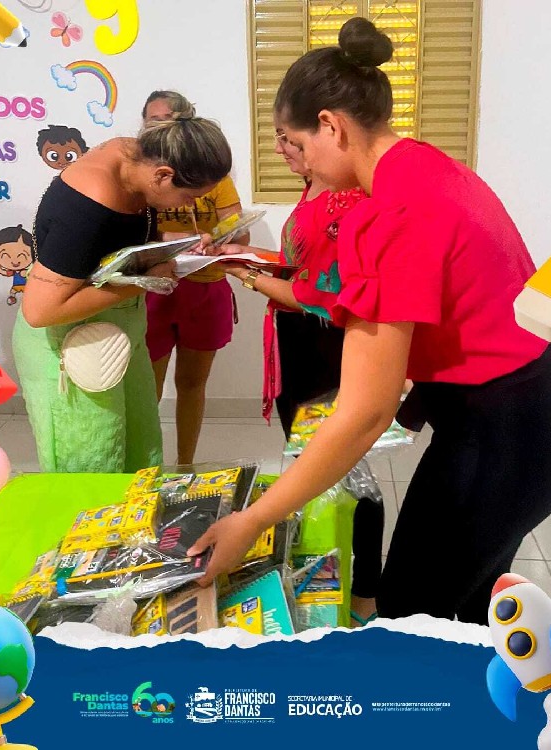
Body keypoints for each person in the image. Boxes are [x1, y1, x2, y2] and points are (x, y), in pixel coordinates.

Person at [189, 17, 551, 626]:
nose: (296, 160)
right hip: (530, 406)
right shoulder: (424, 165)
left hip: (506, 428)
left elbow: (365, 412)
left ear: (330, 125)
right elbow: (357, 295)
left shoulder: (389, 214)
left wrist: (253, 520)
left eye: (295, 141)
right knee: (471, 600)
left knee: (412, 613)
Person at [222, 125, 383, 625]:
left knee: (349, 469)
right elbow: (304, 269)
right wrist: (246, 259)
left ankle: (366, 593)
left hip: (326, 347)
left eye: (287, 137)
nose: (277, 148)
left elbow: (326, 297)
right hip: (297, 343)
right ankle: (329, 577)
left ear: (327, 131)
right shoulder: (315, 185)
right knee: (316, 465)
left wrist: (249, 276)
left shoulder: (350, 197)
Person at [13, 117, 232, 474]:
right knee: (91, 469)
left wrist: (180, 244)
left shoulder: (132, 157)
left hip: (118, 335)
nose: (188, 208)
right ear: (163, 175)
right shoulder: (89, 206)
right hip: (71, 343)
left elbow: (115, 241)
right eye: (189, 197)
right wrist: (142, 282)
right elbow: (40, 311)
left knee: (140, 456)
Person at [141, 90, 248, 466]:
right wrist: (170, 238)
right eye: (151, 121)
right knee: (147, 389)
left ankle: (185, 464)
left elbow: (238, 233)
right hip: (155, 288)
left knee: (191, 384)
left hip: (205, 288)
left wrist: (222, 236)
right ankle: (148, 466)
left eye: (166, 121)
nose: (157, 129)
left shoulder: (213, 176)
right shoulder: (141, 174)